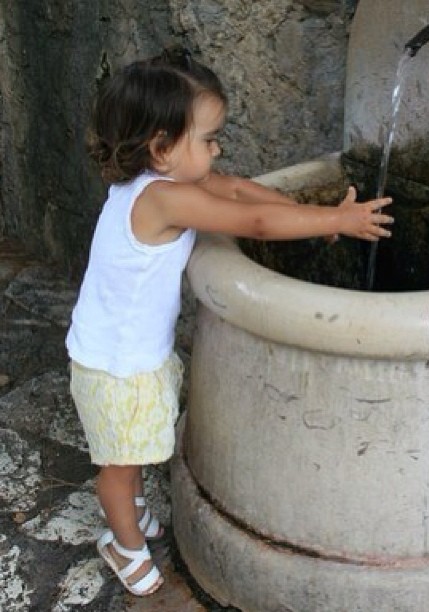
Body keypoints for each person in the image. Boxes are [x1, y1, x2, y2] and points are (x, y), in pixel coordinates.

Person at [66, 47, 393, 597]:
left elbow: (242, 191)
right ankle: (122, 543)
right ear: (162, 147)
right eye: (210, 138)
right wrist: (334, 218)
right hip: (113, 367)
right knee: (120, 464)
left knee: (141, 439)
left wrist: (316, 221)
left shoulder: (157, 180)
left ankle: (135, 510)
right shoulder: (162, 200)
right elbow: (257, 222)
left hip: (132, 355)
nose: (218, 149)